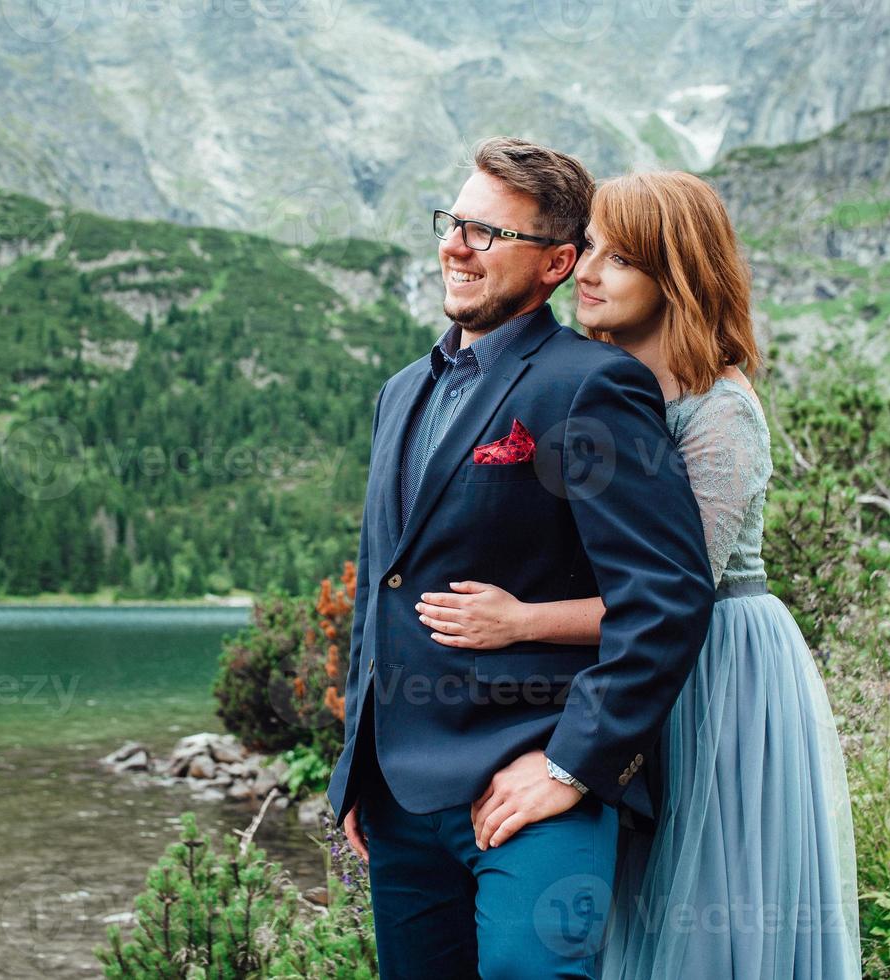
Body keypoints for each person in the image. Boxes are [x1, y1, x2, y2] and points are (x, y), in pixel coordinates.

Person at [414, 171, 862, 978]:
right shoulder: (599, 386)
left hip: (717, 668)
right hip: (620, 675)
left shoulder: (720, 411)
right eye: (587, 248)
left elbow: (678, 594)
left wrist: (521, 622)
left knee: (706, 898)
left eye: (619, 260)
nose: (585, 272)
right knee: (618, 908)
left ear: (677, 276)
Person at [324, 136, 716, 979]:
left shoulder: (590, 385)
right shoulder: (402, 391)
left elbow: (670, 597)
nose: (456, 246)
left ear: (556, 263)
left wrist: (573, 764)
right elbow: (379, 593)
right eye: (454, 222)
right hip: (399, 795)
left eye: (489, 234)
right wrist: (357, 767)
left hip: (535, 783)